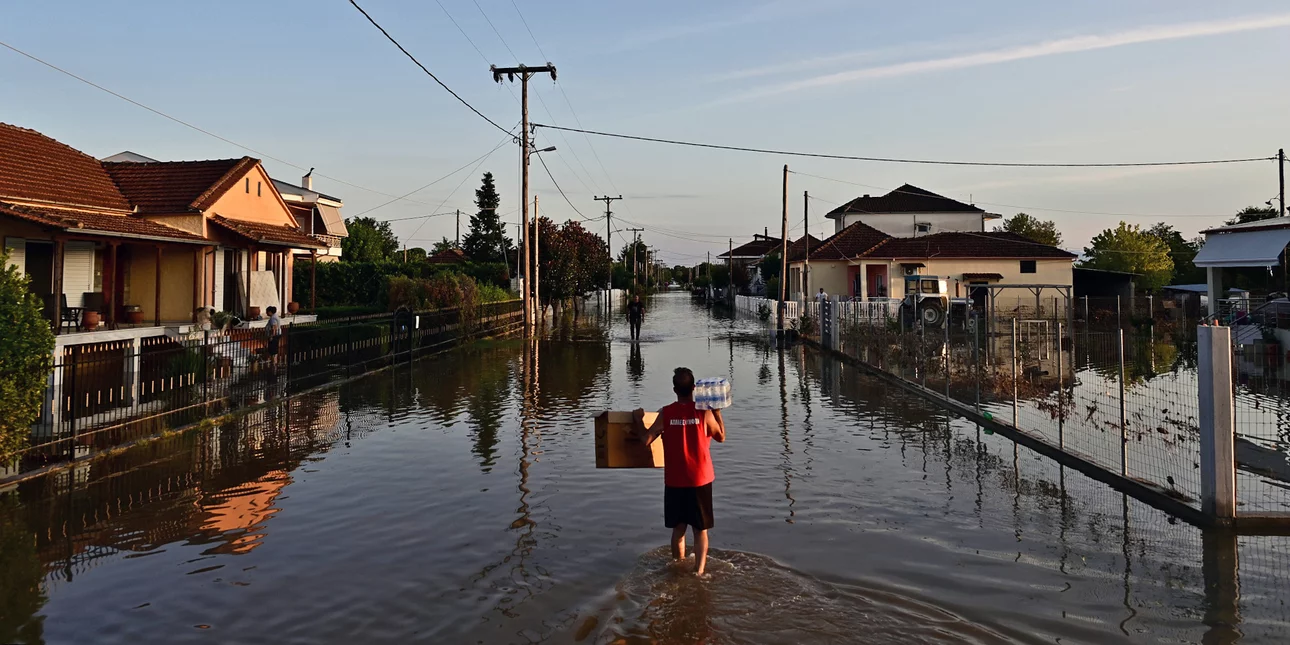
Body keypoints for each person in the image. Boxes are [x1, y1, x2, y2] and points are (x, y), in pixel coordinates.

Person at [629, 367, 726, 576]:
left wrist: (638, 419)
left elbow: (646, 440)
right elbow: (721, 437)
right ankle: (699, 572)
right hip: (700, 478)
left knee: (679, 529)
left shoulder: (666, 413)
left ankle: (678, 566)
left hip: (675, 480)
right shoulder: (704, 412)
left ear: (674, 390)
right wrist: (717, 411)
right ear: (694, 388)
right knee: (700, 530)